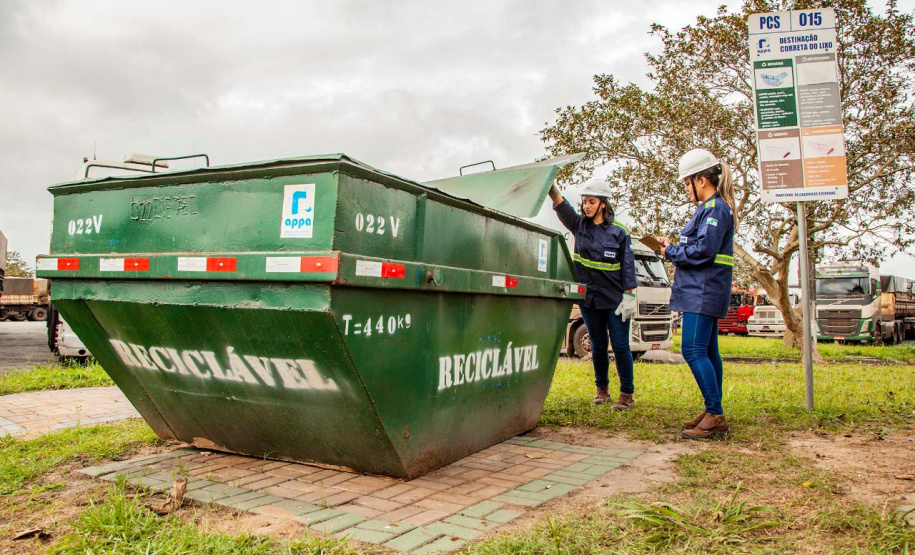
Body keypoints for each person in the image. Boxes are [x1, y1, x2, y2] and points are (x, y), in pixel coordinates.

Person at [656, 149, 736, 439]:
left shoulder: (715, 209)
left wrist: (672, 251)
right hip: (704, 289)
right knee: (709, 350)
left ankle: (715, 414)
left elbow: (704, 251)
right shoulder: (711, 209)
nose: (687, 189)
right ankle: (713, 408)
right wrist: (673, 247)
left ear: (701, 180)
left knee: (692, 349)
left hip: (702, 291)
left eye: (687, 183)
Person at [548, 178, 638, 410]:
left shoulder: (619, 232)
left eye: (592, 201)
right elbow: (560, 204)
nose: (586, 206)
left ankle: (626, 394)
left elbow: (628, 266)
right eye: (584, 202)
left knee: (619, 346)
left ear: (603, 204)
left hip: (615, 301)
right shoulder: (580, 226)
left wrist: (628, 296)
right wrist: (549, 183)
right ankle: (602, 391)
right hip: (589, 300)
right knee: (597, 346)